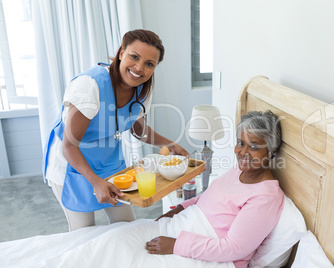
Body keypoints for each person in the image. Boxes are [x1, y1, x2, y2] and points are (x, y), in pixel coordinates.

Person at [42, 29, 188, 232]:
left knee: (127, 227)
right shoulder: (89, 86)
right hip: (72, 165)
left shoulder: (141, 88)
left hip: (108, 163)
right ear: (121, 53)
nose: (139, 68)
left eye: (149, 64)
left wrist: (169, 144)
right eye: (134, 57)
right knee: (83, 232)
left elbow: (138, 129)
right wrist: (96, 182)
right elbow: (69, 146)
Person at [145, 110, 285, 268]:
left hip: (214, 257)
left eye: (253, 146)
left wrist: (176, 245)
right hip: (186, 227)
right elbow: (208, 197)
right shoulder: (240, 170)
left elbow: (234, 248)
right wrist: (178, 209)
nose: (243, 152)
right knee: (116, 238)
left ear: (271, 151)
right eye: (240, 143)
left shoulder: (266, 196)